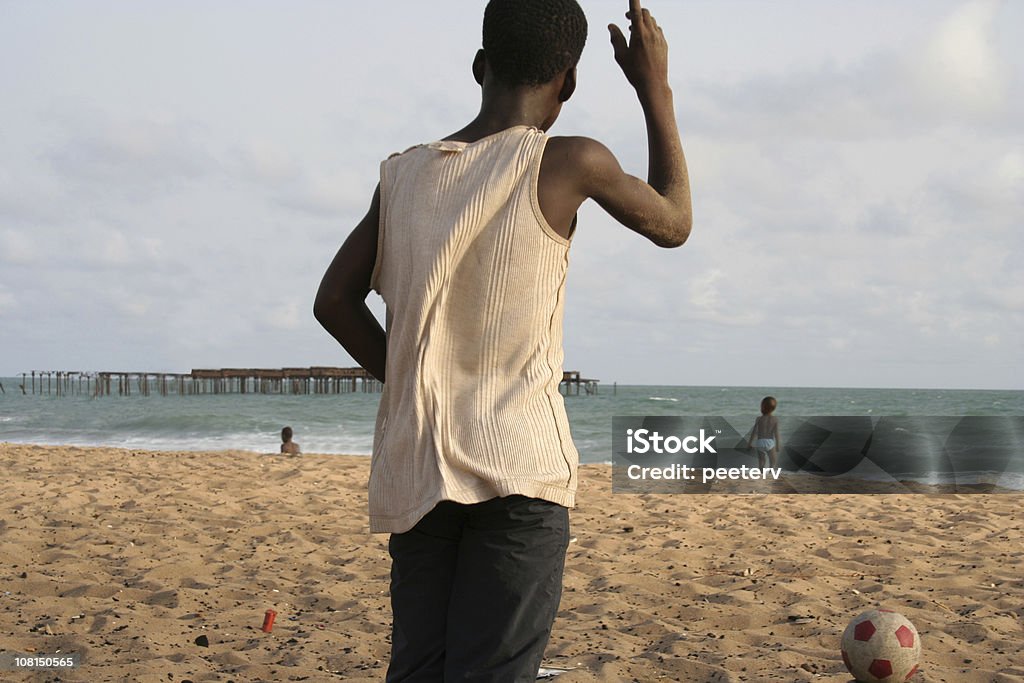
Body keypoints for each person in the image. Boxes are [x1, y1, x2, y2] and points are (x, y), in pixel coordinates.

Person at [313, 0, 691, 679]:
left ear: (480, 66)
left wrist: (410, 379)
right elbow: (674, 220)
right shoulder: (571, 160)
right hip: (521, 471)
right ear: (567, 85)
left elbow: (334, 301)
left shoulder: (401, 176)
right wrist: (654, 89)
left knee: (420, 668)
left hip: (421, 470)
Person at [748, 396, 781, 468]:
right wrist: (778, 445)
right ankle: (770, 473)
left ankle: (762, 472)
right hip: (769, 442)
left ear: (762, 407)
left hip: (760, 442)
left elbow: (754, 432)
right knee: (773, 460)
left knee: (762, 460)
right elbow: (776, 434)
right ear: (773, 408)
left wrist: (750, 443)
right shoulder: (775, 419)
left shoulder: (759, 419)